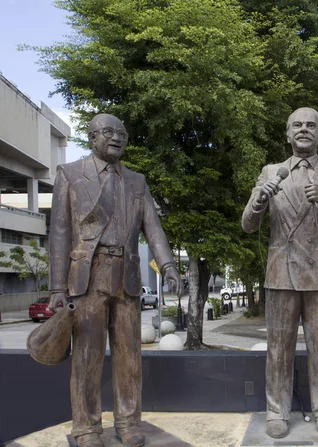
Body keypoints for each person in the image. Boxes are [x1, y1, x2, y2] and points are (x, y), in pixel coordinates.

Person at [48, 113, 181, 447]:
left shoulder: (137, 181)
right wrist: (55, 288)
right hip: (87, 278)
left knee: (129, 355)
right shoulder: (70, 174)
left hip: (128, 277)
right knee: (87, 357)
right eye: (108, 132)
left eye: (122, 133)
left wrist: (168, 267)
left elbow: (153, 228)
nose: (117, 138)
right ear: (92, 137)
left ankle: (128, 421)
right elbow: (60, 233)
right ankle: (87, 427)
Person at [242, 107, 318, 438]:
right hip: (281, 273)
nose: (304, 130)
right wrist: (259, 201)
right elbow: (248, 224)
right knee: (278, 347)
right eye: (297, 125)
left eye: (311, 125)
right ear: (287, 134)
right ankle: (276, 411)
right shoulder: (271, 171)